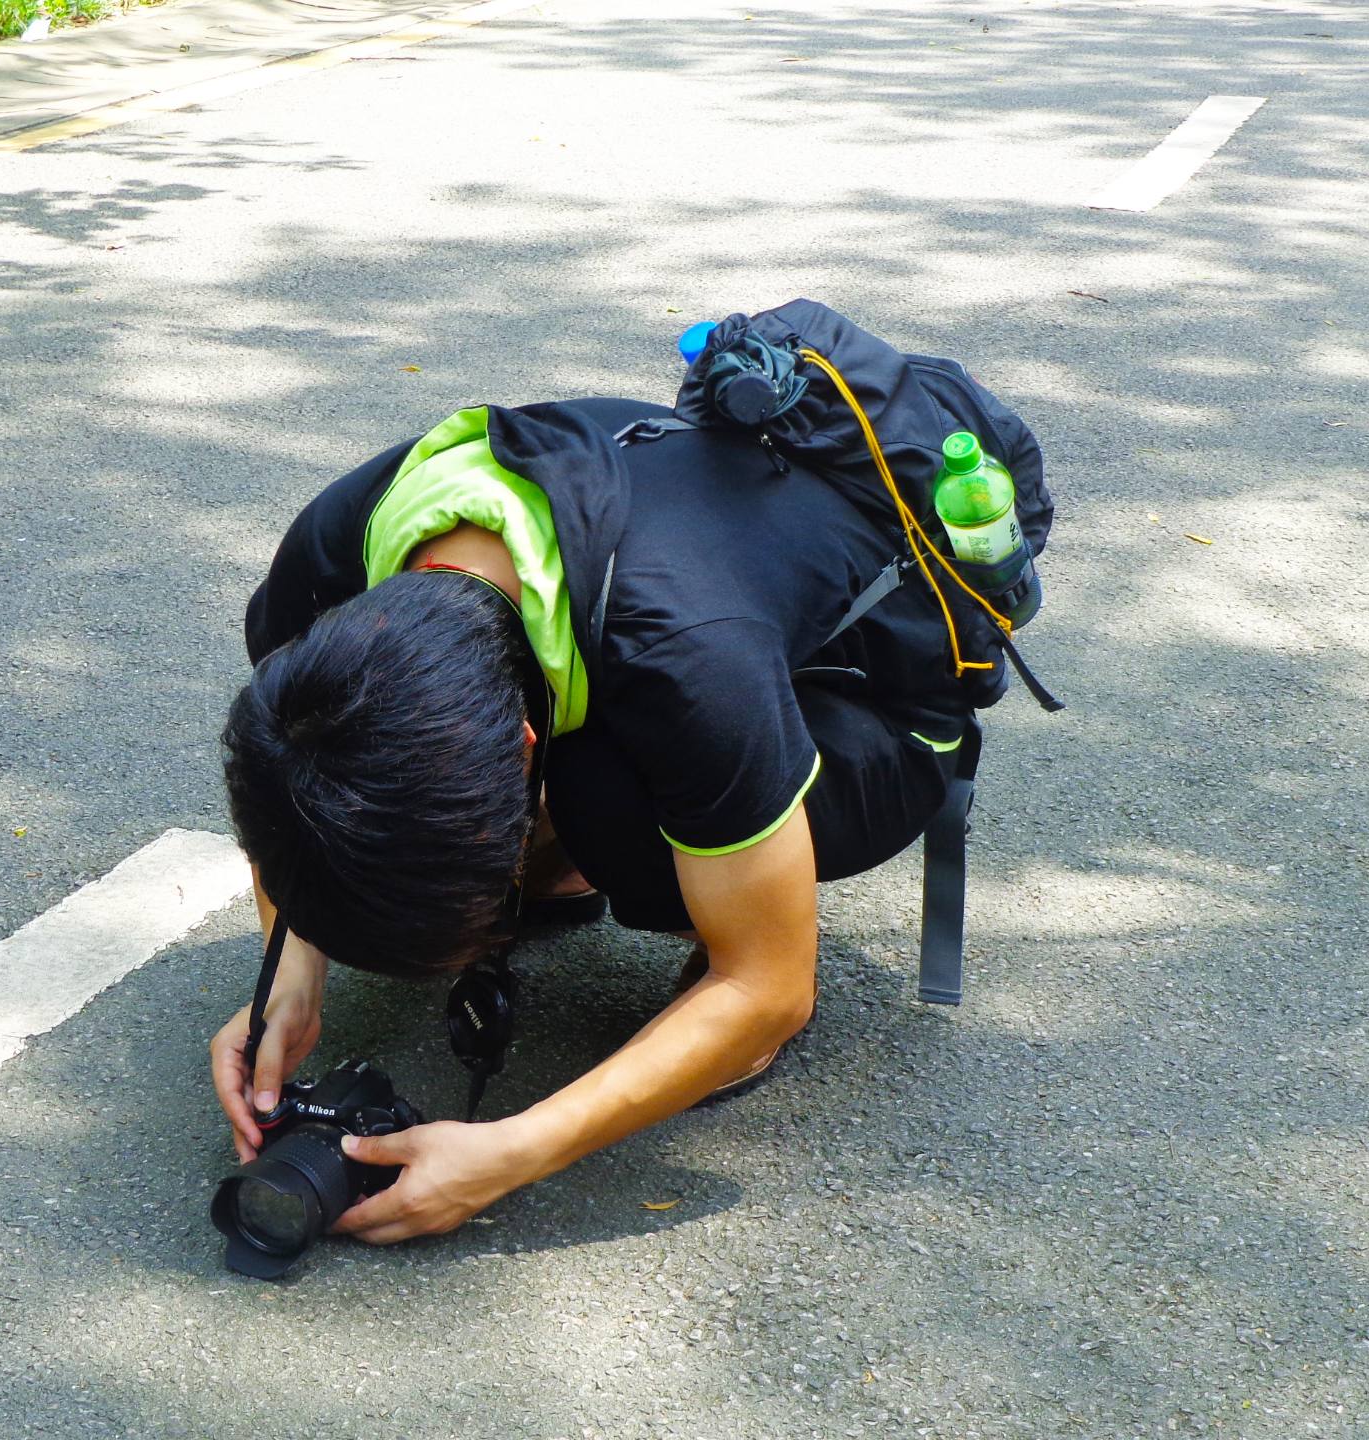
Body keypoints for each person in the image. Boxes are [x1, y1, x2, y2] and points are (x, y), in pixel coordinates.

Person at [210, 307, 1045, 1245]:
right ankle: (537, 849)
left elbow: (769, 983)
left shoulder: (689, 661)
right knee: (375, 819)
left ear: (525, 747)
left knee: (615, 809)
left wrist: (515, 1149)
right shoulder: (330, 561)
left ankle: (593, 858)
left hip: (876, 700)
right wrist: (287, 970)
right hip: (645, 605)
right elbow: (294, 784)